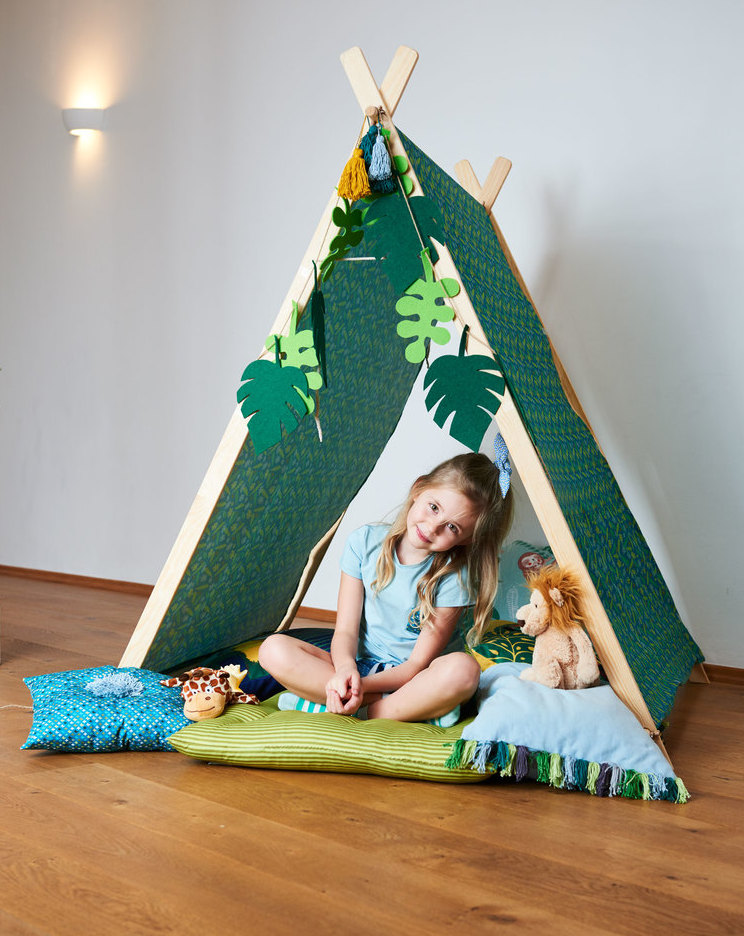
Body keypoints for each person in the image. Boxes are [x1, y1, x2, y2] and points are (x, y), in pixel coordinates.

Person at [258, 450, 514, 725]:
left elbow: (416, 665)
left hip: (415, 680)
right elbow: (345, 631)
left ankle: (359, 708)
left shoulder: (455, 578)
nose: (432, 528)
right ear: (419, 489)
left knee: (463, 671)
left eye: (452, 527)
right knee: (272, 649)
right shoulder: (363, 543)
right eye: (434, 507)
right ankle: (401, 709)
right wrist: (345, 671)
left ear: (466, 539)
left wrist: (360, 688)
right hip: (359, 668)